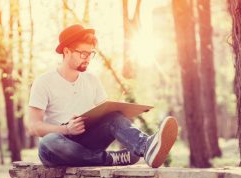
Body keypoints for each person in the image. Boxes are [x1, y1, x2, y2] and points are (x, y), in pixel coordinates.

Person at [28, 24, 178, 168]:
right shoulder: (43, 82)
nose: (87, 58)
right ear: (66, 52)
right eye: (83, 53)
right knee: (49, 141)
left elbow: (108, 117)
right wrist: (67, 129)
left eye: (90, 54)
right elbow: (34, 127)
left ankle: (146, 147)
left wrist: (120, 109)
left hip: (86, 141)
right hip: (57, 146)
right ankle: (111, 158)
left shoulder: (92, 81)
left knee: (113, 117)